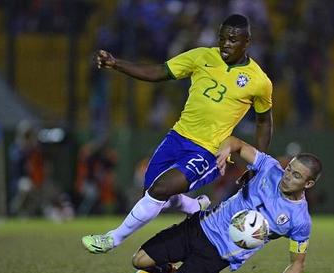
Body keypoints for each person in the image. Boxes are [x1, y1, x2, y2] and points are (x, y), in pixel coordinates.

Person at [82, 14, 273, 253]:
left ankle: (111, 239)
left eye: (233, 40)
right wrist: (115, 63)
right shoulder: (202, 56)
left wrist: (259, 163)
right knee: (152, 192)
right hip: (177, 137)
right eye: (222, 38)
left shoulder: (259, 81)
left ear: (248, 41)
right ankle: (196, 207)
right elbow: (159, 72)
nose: (226, 44)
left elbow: (264, 121)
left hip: (209, 150)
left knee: (160, 190)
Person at [129, 136, 322, 273]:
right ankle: (165, 269)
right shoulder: (269, 168)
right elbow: (236, 143)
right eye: (289, 169)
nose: (287, 176)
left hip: (216, 256)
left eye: (296, 175)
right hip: (201, 226)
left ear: (309, 184)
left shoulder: (299, 220)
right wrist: (224, 153)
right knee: (139, 260)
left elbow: (297, 263)